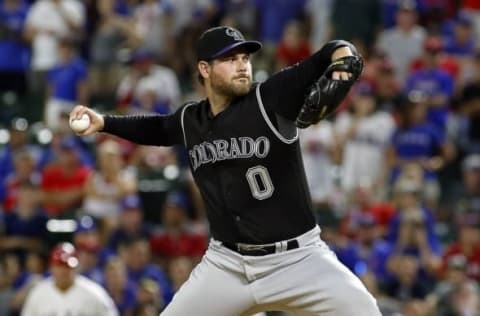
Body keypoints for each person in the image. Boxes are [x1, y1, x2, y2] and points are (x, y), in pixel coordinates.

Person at [70, 26, 381, 315]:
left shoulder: (269, 98)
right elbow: (157, 128)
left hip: (298, 259)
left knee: (365, 310)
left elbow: (332, 51)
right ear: (204, 69)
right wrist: (104, 122)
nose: (242, 65)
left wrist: (345, 61)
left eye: (244, 57)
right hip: (227, 264)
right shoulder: (191, 119)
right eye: (230, 59)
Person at [21, 242, 118, 316]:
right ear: (51, 267)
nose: (64, 271)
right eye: (60, 266)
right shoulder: (38, 294)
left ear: (76, 267)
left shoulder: (95, 293)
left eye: (68, 266)